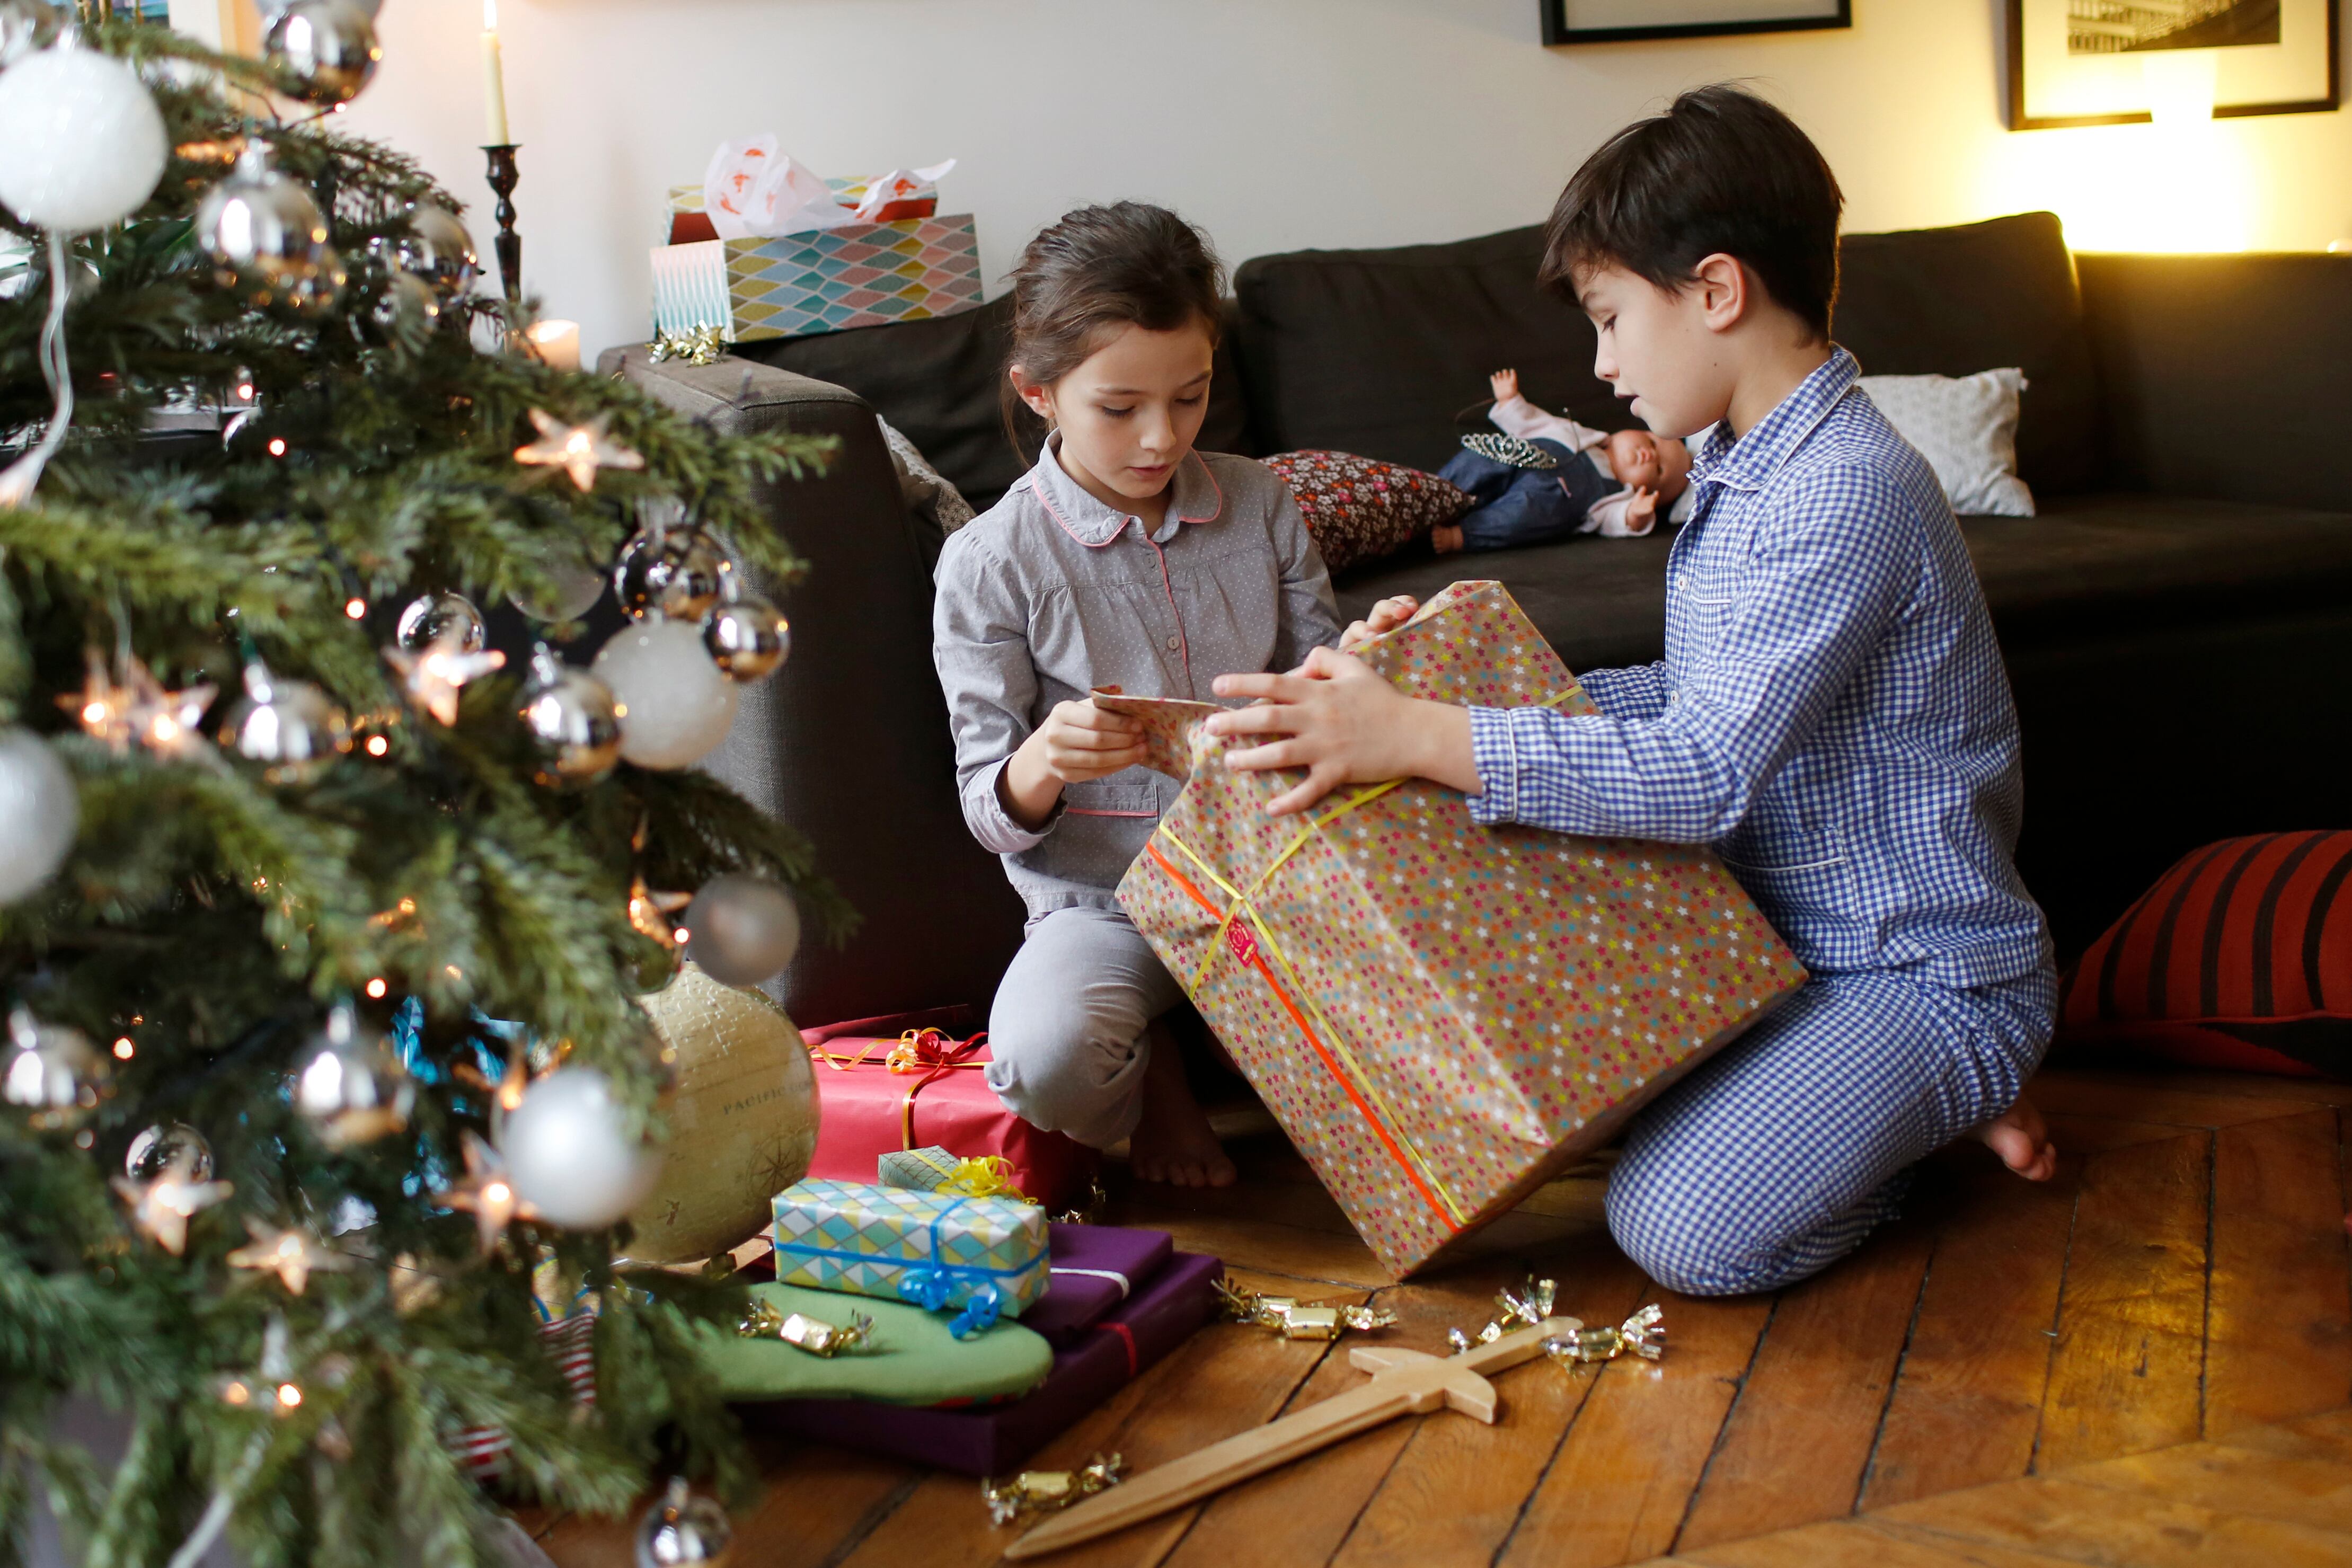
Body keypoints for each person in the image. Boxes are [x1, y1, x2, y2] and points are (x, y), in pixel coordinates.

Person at [1201, 85, 2059, 1296]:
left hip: (1915, 971)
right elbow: (1694, 689)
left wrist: (1422, 731)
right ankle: (1877, 1104)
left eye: (1610, 320)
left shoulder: (1841, 489)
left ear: (1716, 292)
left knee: (1678, 1227)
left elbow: (1703, 770)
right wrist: (1446, 680)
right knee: (1549, 1089)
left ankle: (1937, 1095)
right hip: (1772, 948)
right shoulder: (1741, 467)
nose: (1601, 366)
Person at [931, 202, 1345, 1189]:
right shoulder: (988, 561)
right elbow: (987, 808)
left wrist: (1370, 664)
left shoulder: (1259, 502)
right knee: (1045, 1059)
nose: (1162, 437)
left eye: (1190, 397)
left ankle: (1218, 1037)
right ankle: (1158, 1067)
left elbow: (1330, 684)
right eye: (1119, 408)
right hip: (1106, 904)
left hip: (1286, 869)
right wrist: (1041, 760)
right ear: (1037, 391)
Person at [1431, 368, 1696, 553]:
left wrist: (1635, 516)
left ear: (1646, 493)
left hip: (1543, 502)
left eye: (1659, 470)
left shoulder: (1614, 498)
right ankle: (1434, 492)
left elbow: (1616, 520)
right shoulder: (1581, 434)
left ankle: (1461, 536)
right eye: (1652, 443)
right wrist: (1511, 403)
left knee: (1517, 518)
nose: (1650, 455)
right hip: (1518, 455)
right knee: (1481, 459)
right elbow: (1539, 423)